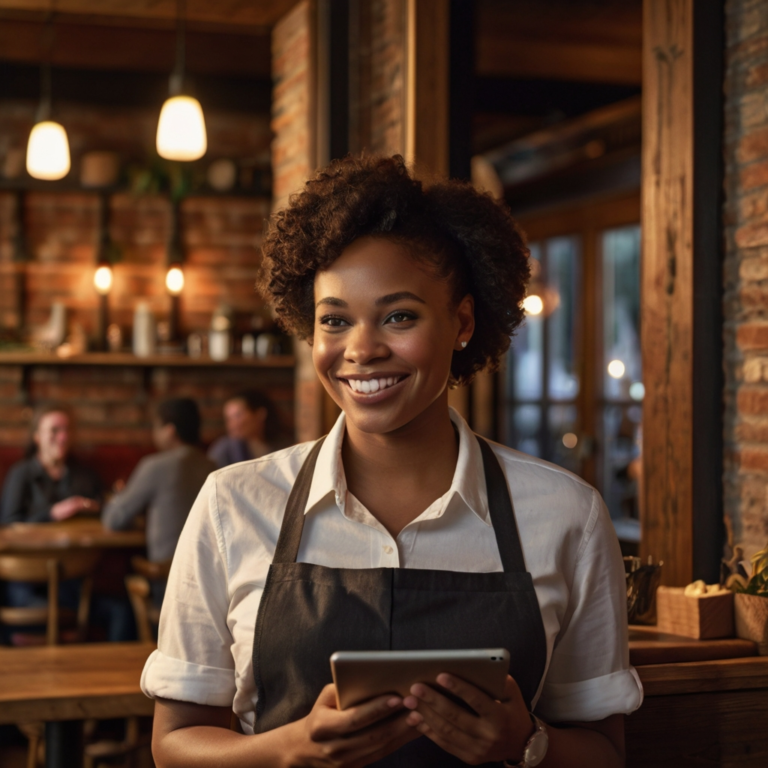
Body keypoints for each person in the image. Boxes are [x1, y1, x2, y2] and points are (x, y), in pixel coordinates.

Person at [143, 155, 643, 767]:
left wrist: (526, 743)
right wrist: (287, 751)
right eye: (335, 320)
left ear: (462, 321)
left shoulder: (568, 516)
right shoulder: (233, 504)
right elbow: (172, 747)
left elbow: (606, 755)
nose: (361, 349)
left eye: (399, 316)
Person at [102, 398, 215, 602]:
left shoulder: (155, 466)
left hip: (167, 584)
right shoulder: (215, 467)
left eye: (156, 426)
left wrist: (118, 496)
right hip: (211, 584)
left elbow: (114, 519)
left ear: (169, 431)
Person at [0, 405, 102, 525]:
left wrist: (90, 506)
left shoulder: (84, 473)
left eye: (67, 430)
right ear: (37, 436)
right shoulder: (20, 473)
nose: (63, 437)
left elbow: (107, 507)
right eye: (54, 430)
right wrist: (50, 514)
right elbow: (8, 523)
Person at [207, 390, 281, 468]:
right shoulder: (223, 450)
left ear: (260, 414)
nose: (233, 424)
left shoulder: (281, 446)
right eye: (228, 418)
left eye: (238, 416)